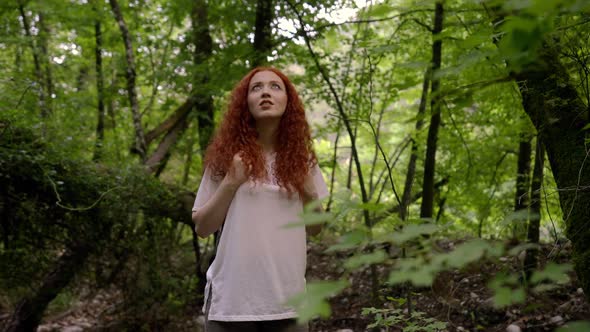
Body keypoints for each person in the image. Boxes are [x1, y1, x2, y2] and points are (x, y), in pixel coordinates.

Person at [191, 67, 329, 332]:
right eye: (257, 88)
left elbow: (317, 228)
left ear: (288, 101)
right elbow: (202, 227)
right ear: (246, 102)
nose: (266, 92)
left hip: (290, 306)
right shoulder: (227, 158)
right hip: (231, 307)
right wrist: (231, 182)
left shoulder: (303, 161)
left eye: (275, 87)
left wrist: (310, 192)